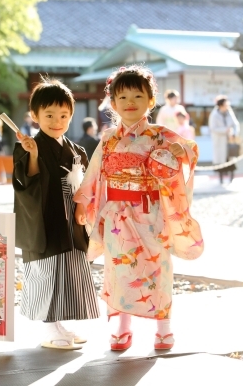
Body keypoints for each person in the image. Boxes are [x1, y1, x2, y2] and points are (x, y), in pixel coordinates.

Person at [74, 65, 203, 352]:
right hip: (116, 213)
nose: (130, 102)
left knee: (158, 266)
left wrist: (182, 153)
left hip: (150, 211)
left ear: (151, 100)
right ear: (113, 103)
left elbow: (190, 149)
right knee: (119, 268)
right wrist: (84, 200)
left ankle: (164, 326)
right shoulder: (109, 138)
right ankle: (122, 324)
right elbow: (94, 172)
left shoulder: (159, 135)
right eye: (122, 97)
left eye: (137, 96)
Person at [12, 76, 100, 350]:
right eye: (48, 114)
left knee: (70, 272)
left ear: (71, 115)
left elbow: (88, 186)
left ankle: (63, 323)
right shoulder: (28, 146)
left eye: (63, 114)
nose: (56, 120)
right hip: (45, 221)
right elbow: (28, 183)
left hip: (72, 222)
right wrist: (34, 155)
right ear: (35, 116)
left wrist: (85, 210)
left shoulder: (76, 150)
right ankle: (49, 328)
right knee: (47, 273)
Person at [208, 95, 240, 184]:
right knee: (220, 161)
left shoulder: (229, 112)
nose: (227, 106)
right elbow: (213, 128)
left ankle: (231, 178)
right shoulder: (214, 114)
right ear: (221, 105)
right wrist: (225, 130)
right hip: (219, 141)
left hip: (229, 140)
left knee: (231, 159)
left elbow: (235, 124)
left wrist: (234, 133)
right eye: (225, 105)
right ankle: (221, 179)